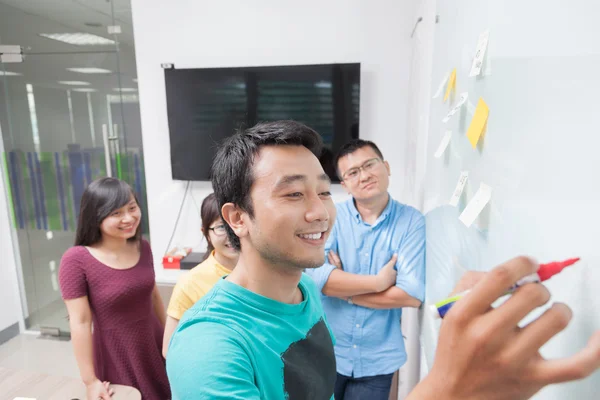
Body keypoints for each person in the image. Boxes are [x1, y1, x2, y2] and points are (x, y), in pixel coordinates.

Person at [167, 121, 600, 400]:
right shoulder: (211, 346)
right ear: (237, 218)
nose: (320, 211)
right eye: (294, 194)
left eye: (323, 191)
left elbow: (407, 292)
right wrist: (446, 389)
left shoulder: (302, 293)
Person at [305, 139, 425, 400]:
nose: (364, 176)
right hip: (327, 351)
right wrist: (380, 282)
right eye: (353, 173)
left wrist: (343, 289)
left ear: (386, 166)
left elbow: (410, 295)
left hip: (377, 359)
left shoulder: (411, 222)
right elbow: (314, 278)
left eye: (369, 165)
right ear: (345, 185)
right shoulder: (331, 216)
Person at [58, 177, 171, 400]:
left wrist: (171, 340)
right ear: (95, 216)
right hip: (117, 353)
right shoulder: (76, 260)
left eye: (132, 208)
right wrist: (90, 381)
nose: (129, 218)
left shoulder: (143, 246)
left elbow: (154, 297)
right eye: (116, 213)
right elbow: (80, 323)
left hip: (154, 343)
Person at [162, 193, 239, 357]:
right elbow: (169, 349)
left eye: (236, 222)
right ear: (206, 233)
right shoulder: (191, 283)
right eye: (221, 227)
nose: (231, 233)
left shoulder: (266, 271)